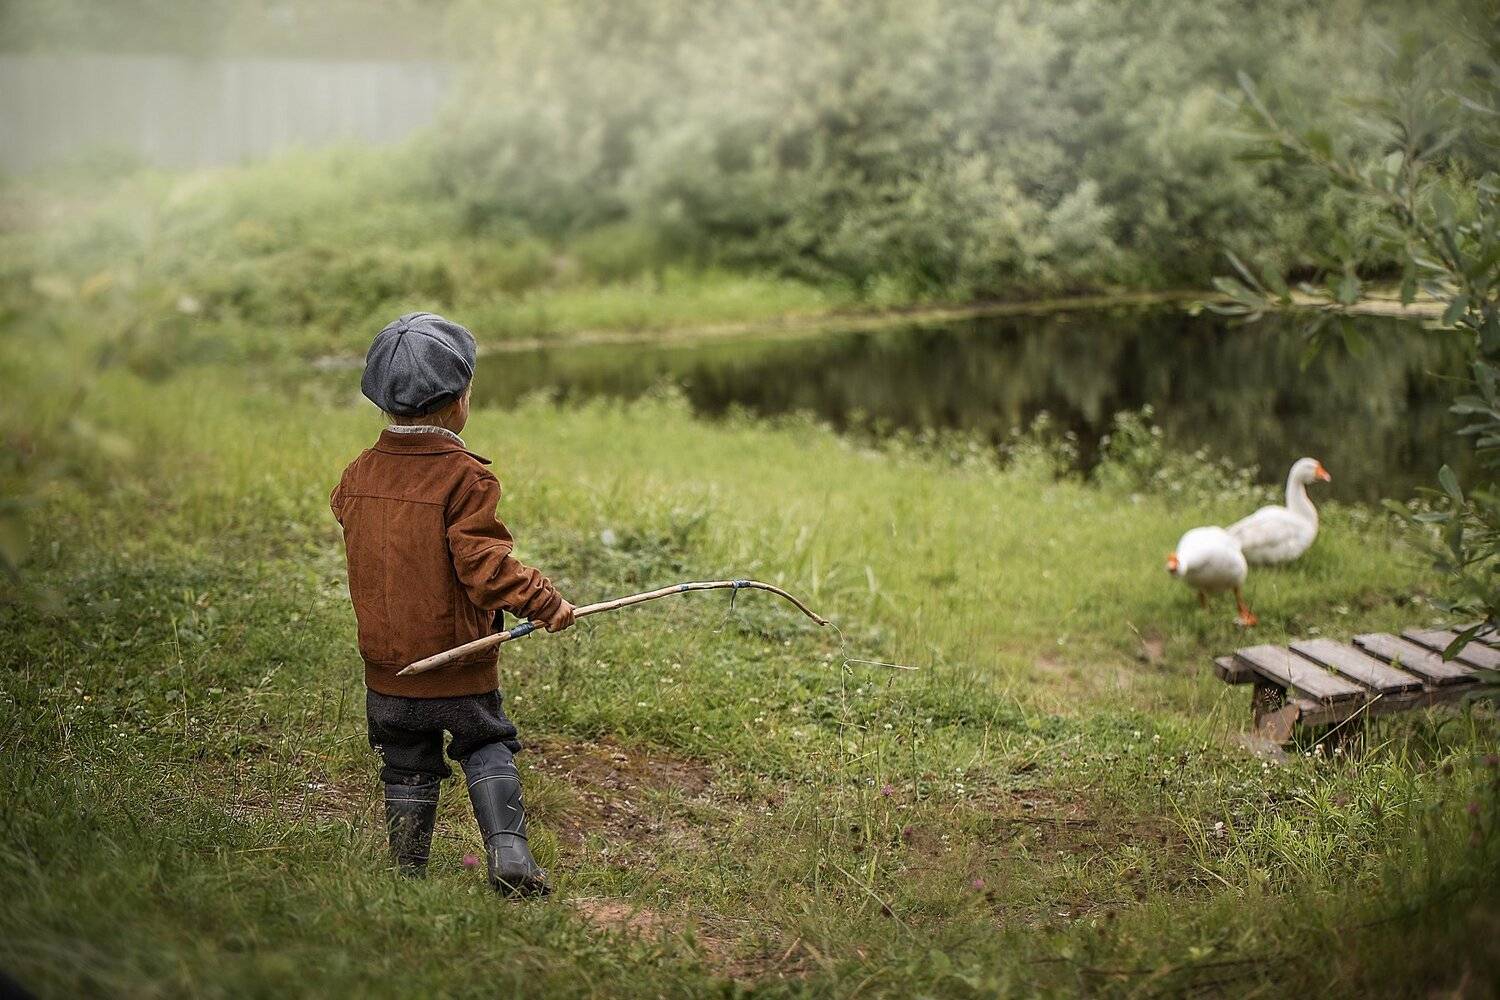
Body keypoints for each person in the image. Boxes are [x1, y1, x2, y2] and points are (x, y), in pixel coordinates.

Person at [330, 312, 574, 896]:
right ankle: (511, 859)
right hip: (459, 663)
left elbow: (347, 512)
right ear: (460, 400)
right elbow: (487, 572)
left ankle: (407, 872)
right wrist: (543, 602)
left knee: (406, 760)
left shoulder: (358, 473)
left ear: (381, 402)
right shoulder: (466, 478)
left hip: (389, 669)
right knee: (485, 743)